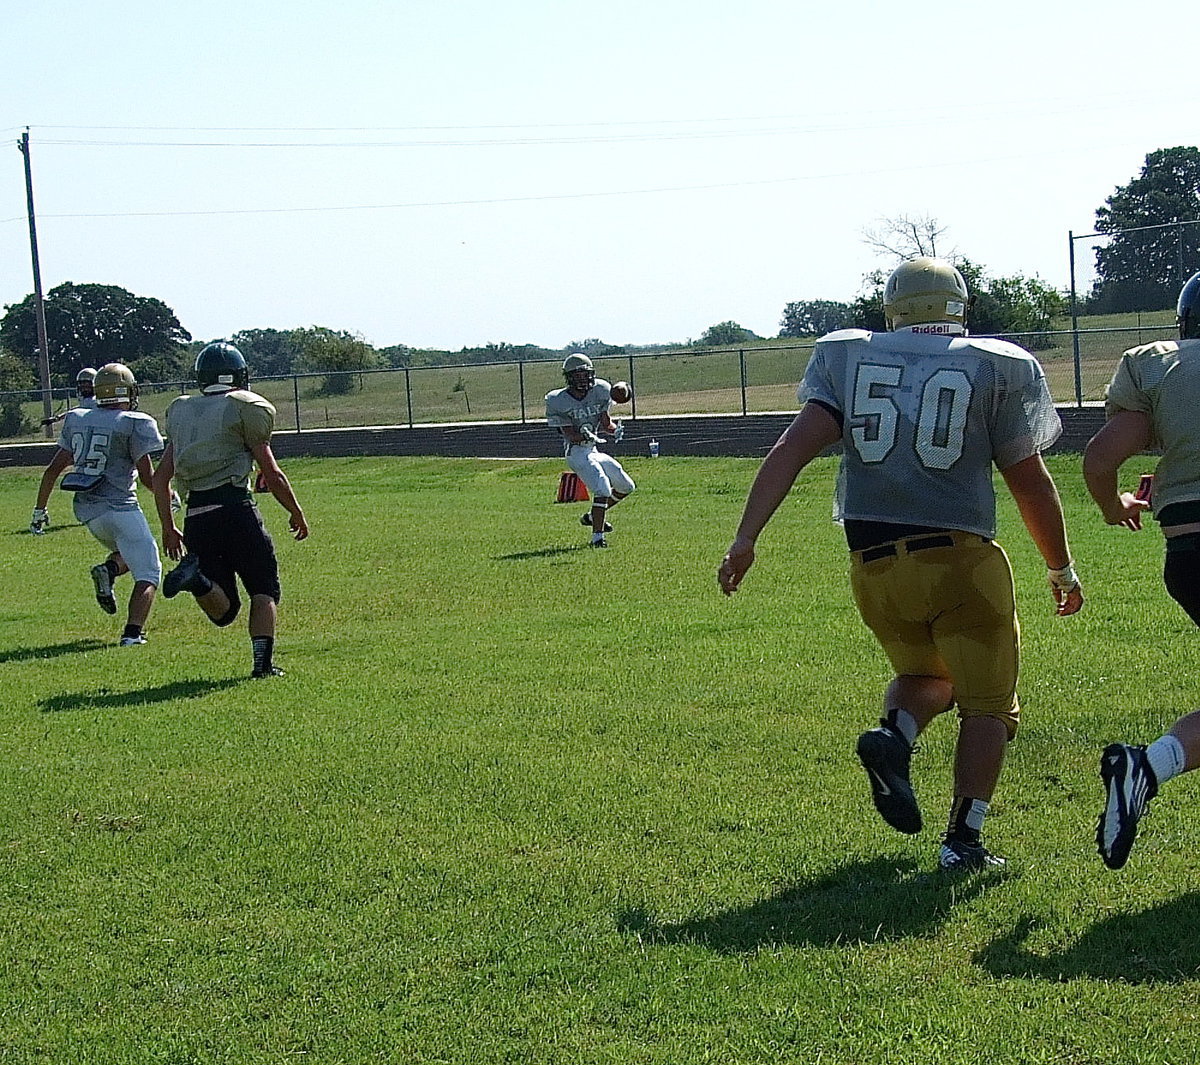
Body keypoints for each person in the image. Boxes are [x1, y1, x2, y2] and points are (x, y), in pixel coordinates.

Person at [717, 257, 1083, 871]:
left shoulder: (849, 358)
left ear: (892, 307)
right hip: (961, 559)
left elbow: (791, 449)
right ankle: (964, 842)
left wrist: (745, 537)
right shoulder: (996, 363)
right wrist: (1060, 567)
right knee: (989, 705)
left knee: (930, 677)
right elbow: (1031, 482)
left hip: (874, 567)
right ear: (959, 308)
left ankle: (894, 738)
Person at [1083, 269, 1200, 870]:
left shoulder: (1161, 365)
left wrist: (1116, 507)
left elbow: (1101, 458)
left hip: (1188, 554)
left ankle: (1146, 769)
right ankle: (1144, 767)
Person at [152, 341, 309, 678]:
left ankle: (197, 580)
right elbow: (271, 472)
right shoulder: (245, 406)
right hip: (236, 508)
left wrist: (168, 526)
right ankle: (262, 666)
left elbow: (161, 477)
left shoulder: (182, 411)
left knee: (224, 611)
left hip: (196, 515)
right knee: (263, 587)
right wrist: (294, 510)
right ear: (240, 375)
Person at [31, 363, 163, 646]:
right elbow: (149, 479)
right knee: (150, 572)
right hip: (120, 507)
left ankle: (109, 570)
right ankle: (132, 635)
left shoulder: (78, 418)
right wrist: (171, 495)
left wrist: (39, 510)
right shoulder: (133, 422)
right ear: (126, 390)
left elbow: (53, 470)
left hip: (89, 513)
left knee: (126, 551)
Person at [544, 353, 634, 548]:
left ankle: (593, 516)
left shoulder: (600, 390)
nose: (583, 379)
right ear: (569, 378)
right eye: (578, 375)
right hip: (576, 452)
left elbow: (605, 422)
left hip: (592, 450)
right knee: (602, 488)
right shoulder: (557, 400)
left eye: (585, 374)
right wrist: (584, 434)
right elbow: (569, 434)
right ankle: (597, 538)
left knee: (626, 486)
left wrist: (614, 430)